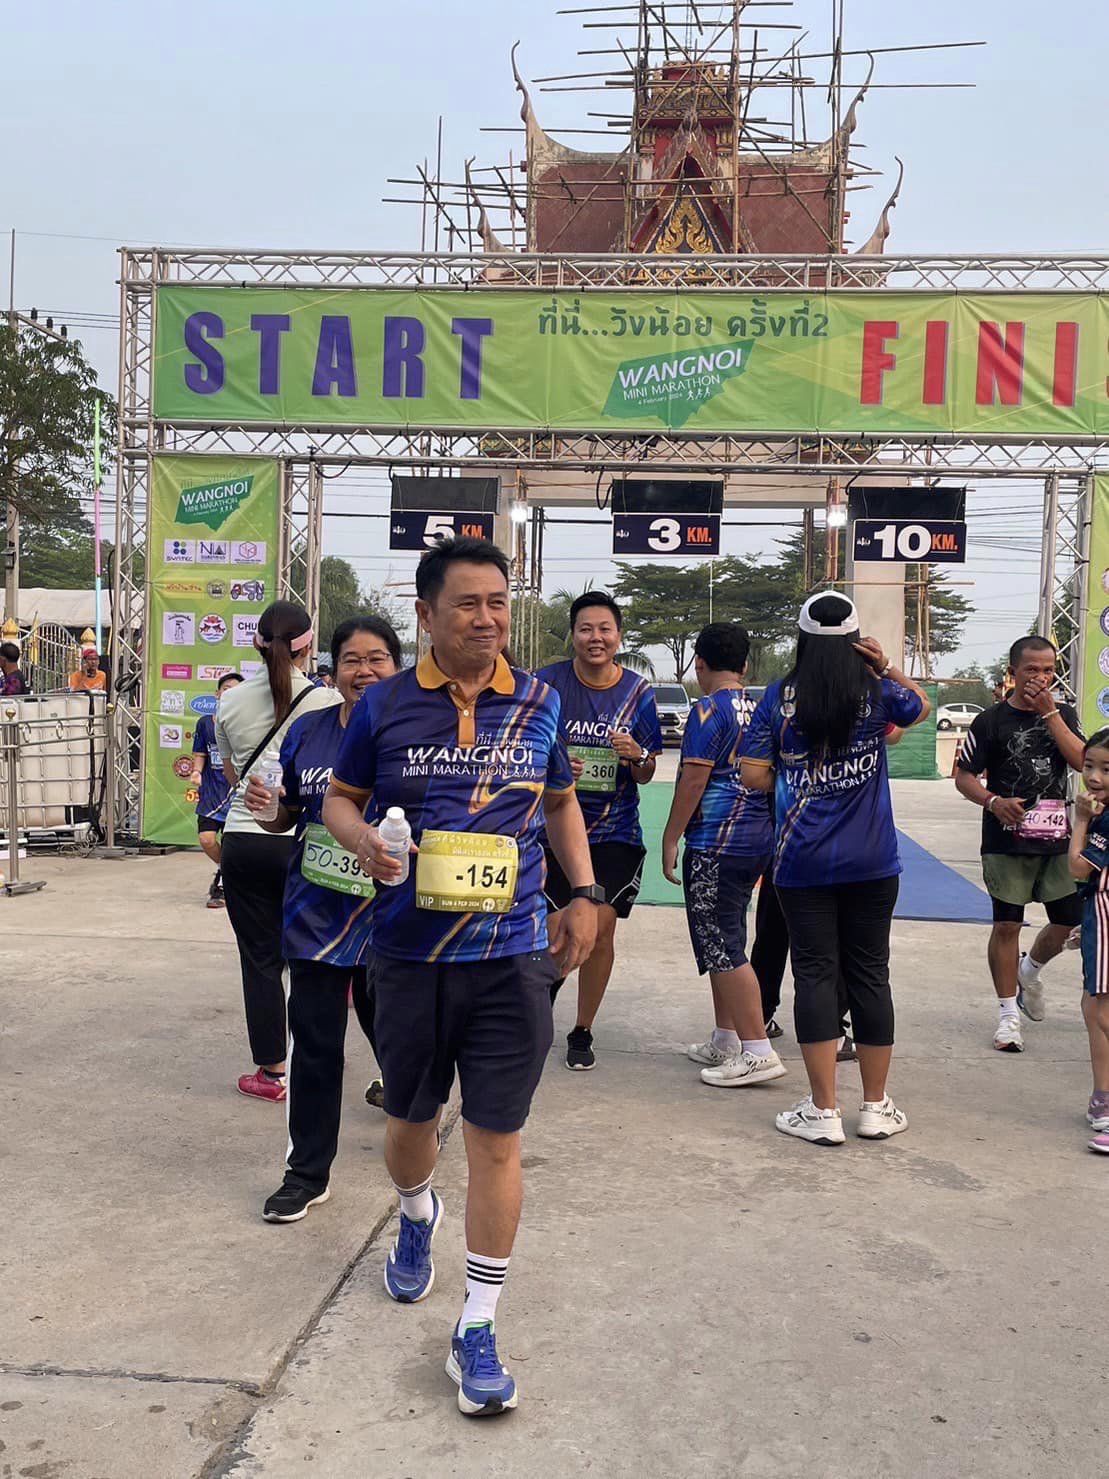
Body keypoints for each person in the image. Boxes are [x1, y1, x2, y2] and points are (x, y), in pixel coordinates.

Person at [323, 536, 599, 1419]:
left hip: (511, 956)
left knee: (496, 1137)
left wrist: (583, 891)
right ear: (425, 614)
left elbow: (560, 801)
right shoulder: (385, 704)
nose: (487, 619)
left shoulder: (541, 702)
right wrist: (362, 842)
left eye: (498, 603)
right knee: (410, 1125)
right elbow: (338, 798)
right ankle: (415, 1214)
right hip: (407, 956)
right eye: (467, 604)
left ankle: (477, 1322)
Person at [741, 593, 929, 1146]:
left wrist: (799, 773)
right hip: (873, 862)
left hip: (801, 861)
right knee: (871, 974)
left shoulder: (777, 698)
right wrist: (886, 666)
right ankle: (875, 1106)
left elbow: (752, 774)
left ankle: (823, 1109)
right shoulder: (876, 692)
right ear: (855, 642)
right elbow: (919, 708)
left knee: (815, 975)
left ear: (800, 638)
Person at [246, 615, 402, 1222]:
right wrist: (268, 811)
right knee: (314, 1045)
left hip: (392, 918)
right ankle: (306, 1174)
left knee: (398, 1038)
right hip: (317, 917)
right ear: (332, 670)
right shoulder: (308, 730)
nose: (364, 671)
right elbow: (289, 814)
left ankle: (416, 1130)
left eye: (377, 659)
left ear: (398, 666)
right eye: (352, 660)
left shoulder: (415, 734)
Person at [216, 600, 340, 1102]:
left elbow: (232, 775)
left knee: (260, 960)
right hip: (306, 842)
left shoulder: (229, 701)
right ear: (308, 646)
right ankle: (320, 1058)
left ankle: (271, 1072)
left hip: (244, 841)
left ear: (256, 644)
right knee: (316, 957)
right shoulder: (327, 701)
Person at [536, 592, 663, 1070]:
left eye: (605, 629)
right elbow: (522, 753)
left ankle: (582, 1029)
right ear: (572, 634)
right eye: (586, 629)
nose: (596, 638)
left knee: (600, 930)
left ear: (618, 636)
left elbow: (648, 772)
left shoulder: (637, 692)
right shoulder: (546, 685)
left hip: (614, 835)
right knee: (554, 929)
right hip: (552, 829)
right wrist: (554, 766)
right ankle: (536, 1014)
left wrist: (636, 754)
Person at [660, 623, 784, 1088]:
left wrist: (671, 836)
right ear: (746, 665)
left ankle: (757, 1049)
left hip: (717, 841)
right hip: (759, 839)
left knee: (722, 943)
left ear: (700, 664)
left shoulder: (708, 710)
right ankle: (727, 1038)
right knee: (727, 936)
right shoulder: (763, 708)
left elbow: (694, 779)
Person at [955, 635, 1084, 1053]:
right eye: (1032, 670)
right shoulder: (990, 721)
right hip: (1006, 839)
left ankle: (1030, 970)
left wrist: (1051, 714)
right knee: (1008, 924)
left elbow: (1082, 761)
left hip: (1057, 839)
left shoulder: (1063, 714)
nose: (1041, 678)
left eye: (1049, 670)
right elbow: (963, 776)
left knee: (1068, 921)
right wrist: (993, 802)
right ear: (1013, 672)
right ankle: (1008, 1015)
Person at [1067, 730, 1109, 1152]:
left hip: (1105, 911)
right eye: (1089, 766)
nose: (1094, 777)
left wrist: (1080, 821)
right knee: (1092, 1007)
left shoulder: (1100, 818)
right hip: (1097, 914)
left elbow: (1078, 867)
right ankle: (1103, 1097)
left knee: (1102, 1012)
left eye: (1107, 769)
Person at [190, 672, 243, 908]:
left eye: (237, 689)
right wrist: (196, 771)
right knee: (207, 839)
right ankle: (227, 872)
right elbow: (200, 752)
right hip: (212, 793)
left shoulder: (247, 723)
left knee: (233, 845)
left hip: (236, 793)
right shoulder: (205, 723)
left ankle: (222, 885)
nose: (231, 692)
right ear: (217, 693)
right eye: (226, 688)